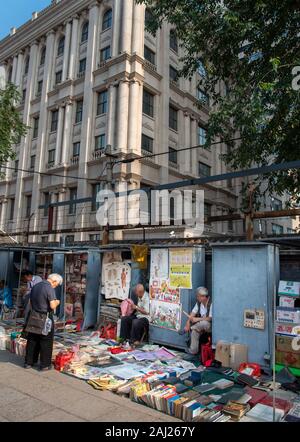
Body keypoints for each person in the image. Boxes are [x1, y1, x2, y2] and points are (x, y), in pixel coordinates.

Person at [24, 273, 62, 371]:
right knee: (46, 340)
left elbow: (31, 302)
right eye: (56, 284)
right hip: (45, 316)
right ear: (54, 281)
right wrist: (58, 302)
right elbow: (53, 305)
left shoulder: (36, 285)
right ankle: (45, 364)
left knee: (32, 339)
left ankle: (29, 362)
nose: (55, 286)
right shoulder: (49, 288)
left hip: (33, 315)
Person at [184, 287, 212, 355]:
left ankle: (191, 328)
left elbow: (210, 318)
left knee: (204, 323)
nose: (197, 297)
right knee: (195, 331)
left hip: (210, 326)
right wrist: (188, 322)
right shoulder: (199, 303)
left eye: (198, 296)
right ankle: (193, 351)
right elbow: (192, 314)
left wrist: (197, 319)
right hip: (200, 326)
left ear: (203, 296)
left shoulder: (211, 303)